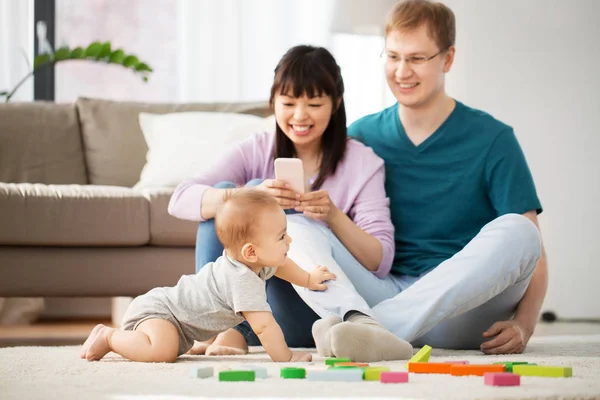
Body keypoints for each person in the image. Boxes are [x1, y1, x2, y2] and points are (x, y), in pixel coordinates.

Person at [319, 0, 545, 357]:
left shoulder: (493, 138)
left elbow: (533, 254)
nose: (402, 71)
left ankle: (373, 328)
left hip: (463, 310)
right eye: (392, 57)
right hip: (384, 288)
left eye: (417, 58)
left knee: (521, 230)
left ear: (448, 58)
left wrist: (525, 324)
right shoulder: (359, 136)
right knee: (303, 224)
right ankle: (376, 329)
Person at [168, 45, 413, 362]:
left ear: (335, 103)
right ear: (273, 102)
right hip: (252, 308)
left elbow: (380, 261)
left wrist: (334, 217)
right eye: (288, 103)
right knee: (233, 195)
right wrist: (241, 197)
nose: (300, 116)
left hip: (311, 308)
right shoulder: (257, 148)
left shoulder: (362, 163)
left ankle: (237, 331)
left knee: (252, 198)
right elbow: (180, 198)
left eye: (314, 103)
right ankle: (222, 325)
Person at [79, 190, 335, 363]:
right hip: (159, 313)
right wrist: (286, 358)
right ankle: (109, 336)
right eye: (282, 236)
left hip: (179, 325)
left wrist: (308, 279)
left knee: (174, 345)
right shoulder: (241, 279)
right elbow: (264, 326)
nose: (289, 240)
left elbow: (282, 265)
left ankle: (189, 342)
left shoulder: (256, 261)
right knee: (162, 351)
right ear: (251, 251)